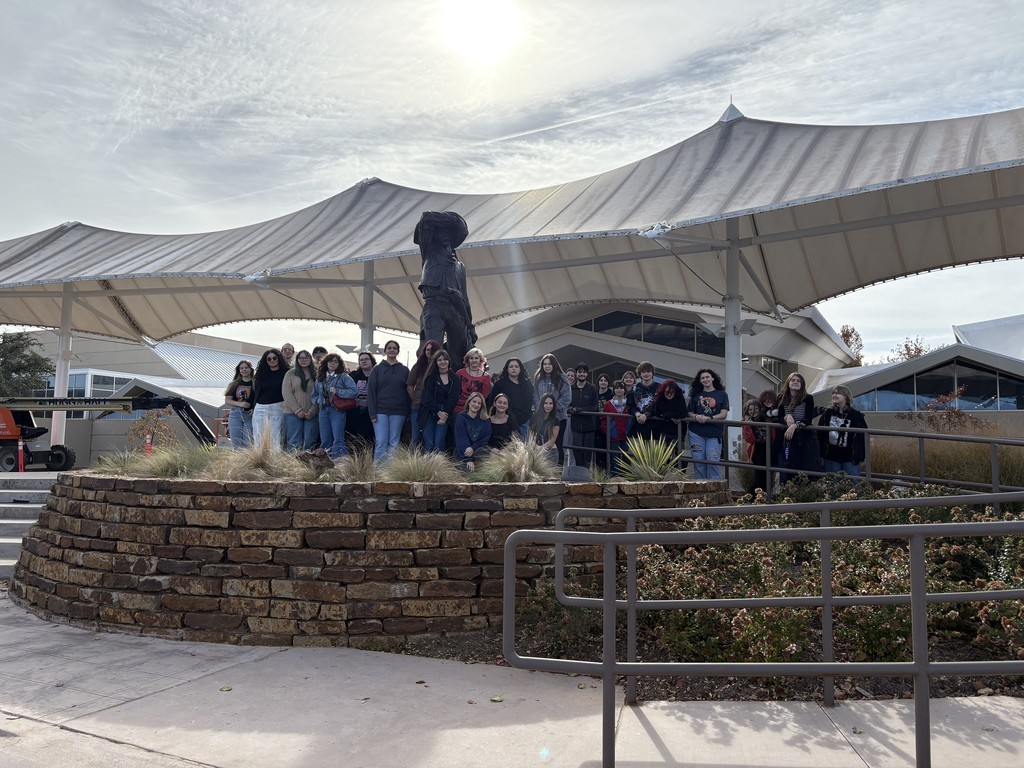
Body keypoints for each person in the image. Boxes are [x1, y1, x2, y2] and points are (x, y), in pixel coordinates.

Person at [414, 211, 476, 366]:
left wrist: (470, 325)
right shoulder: (429, 252)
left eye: (449, 231)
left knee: (459, 354)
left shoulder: (460, 266)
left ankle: (455, 384)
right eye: (441, 230)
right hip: (434, 305)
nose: (445, 234)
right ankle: (430, 383)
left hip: (456, 308)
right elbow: (426, 218)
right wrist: (452, 220)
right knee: (433, 350)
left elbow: (465, 298)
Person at [367, 340, 411, 462]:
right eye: (389, 348)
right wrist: (372, 414)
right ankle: (378, 474)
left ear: (398, 351)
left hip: (399, 412)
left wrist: (408, 412)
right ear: (385, 350)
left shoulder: (404, 370)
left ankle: (390, 473)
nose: (392, 350)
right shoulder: (377, 370)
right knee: (381, 441)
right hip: (380, 411)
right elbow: (371, 393)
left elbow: (408, 392)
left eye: (395, 348)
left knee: (394, 442)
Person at [687, 368, 730, 480]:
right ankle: (700, 489)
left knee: (713, 461)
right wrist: (696, 417)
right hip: (696, 433)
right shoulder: (695, 395)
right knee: (699, 462)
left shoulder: (722, 394)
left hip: (714, 433)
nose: (705, 379)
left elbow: (723, 414)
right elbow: (689, 412)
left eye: (707, 377)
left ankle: (715, 489)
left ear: (712, 378)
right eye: (702, 378)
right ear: (700, 381)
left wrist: (710, 418)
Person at [312, 353, 357, 459]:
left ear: (339, 364)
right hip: (323, 410)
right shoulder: (320, 378)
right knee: (325, 440)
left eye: (335, 361)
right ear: (326, 363)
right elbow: (313, 395)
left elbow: (354, 392)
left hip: (337, 410)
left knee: (338, 439)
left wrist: (338, 391)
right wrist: (319, 400)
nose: (332, 363)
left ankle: (340, 465)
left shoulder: (344, 377)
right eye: (330, 361)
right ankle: (325, 465)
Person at [817, 385, 868, 476]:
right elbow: (820, 435)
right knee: (832, 486)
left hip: (850, 459)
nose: (834, 395)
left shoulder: (856, 416)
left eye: (838, 393)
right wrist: (821, 454)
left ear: (845, 396)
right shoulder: (827, 414)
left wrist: (861, 457)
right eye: (833, 393)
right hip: (831, 457)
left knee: (853, 487)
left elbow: (862, 438)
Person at [777, 372, 820, 481]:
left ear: (802, 384)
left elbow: (808, 418)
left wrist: (794, 426)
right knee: (789, 468)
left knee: (806, 468)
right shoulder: (781, 398)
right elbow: (779, 417)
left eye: (798, 381)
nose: (795, 382)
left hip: (805, 439)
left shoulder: (808, 398)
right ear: (788, 383)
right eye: (793, 380)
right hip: (788, 440)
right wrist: (787, 417)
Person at [418, 349, 459, 453]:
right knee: (429, 443)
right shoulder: (430, 377)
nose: (443, 362)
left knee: (438, 442)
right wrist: (437, 412)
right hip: (429, 412)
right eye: (439, 360)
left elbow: (453, 398)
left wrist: (444, 415)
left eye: (445, 359)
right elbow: (426, 398)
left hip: (445, 412)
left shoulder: (454, 378)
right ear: (436, 362)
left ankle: (439, 467)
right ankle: (428, 468)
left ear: (449, 361)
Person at [533, 354, 571, 464]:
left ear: (554, 365)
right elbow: (535, 395)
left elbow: (566, 398)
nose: (547, 366)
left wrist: (552, 408)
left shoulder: (562, 378)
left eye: (549, 364)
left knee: (557, 445)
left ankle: (558, 471)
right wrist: (541, 408)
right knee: (541, 443)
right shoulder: (538, 378)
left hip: (559, 417)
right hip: (542, 417)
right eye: (544, 364)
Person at [283, 349, 320, 451]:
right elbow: (287, 393)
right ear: (297, 360)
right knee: (294, 443)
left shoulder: (317, 374)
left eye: (306, 357)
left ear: (310, 359)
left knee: (310, 442)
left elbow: (321, 394)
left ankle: (307, 466)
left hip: (312, 414)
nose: (304, 360)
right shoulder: (290, 374)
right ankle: (293, 466)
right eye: (301, 358)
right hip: (292, 414)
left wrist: (313, 410)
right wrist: (297, 410)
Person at [489, 357, 534, 441]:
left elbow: (531, 400)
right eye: (511, 366)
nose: (514, 368)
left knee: (525, 448)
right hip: (505, 421)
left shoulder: (527, 383)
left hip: (524, 420)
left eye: (516, 366)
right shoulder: (500, 384)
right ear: (507, 369)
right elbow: (493, 401)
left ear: (520, 369)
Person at [407, 339, 441, 448]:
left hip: (431, 408)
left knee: (429, 438)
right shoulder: (418, 366)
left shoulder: (440, 367)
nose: (429, 352)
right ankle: (412, 463)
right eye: (427, 349)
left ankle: (429, 463)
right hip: (417, 407)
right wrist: (416, 399)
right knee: (415, 437)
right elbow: (410, 386)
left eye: (432, 350)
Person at [251, 348, 287, 449]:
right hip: (260, 407)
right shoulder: (261, 374)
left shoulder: (286, 373)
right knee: (259, 436)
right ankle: (259, 460)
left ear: (279, 358)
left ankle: (275, 461)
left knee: (276, 437)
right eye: (269, 359)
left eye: (274, 358)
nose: (272, 360)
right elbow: (256, 392)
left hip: (278, 407)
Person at [568, 362, 599, 467]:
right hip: (576, 426)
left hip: (589, 426)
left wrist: (579, 410)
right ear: (576, 373)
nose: (582, 374)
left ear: (587, 374)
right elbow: (567, 405)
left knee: (587, 452)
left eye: (584, 372)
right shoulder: (571, 388)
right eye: (579, 372)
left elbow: (595, 407)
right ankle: (578, 472)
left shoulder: (592, 388)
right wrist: (571, 409)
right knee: (576, 450)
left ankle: (586, 473)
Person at [346, 351, 377, 450]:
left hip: (372, 413)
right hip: (355, 413)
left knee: (370, 440)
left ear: (372, 361)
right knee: (354, 440)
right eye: (361, 360)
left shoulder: (378, 375)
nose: (364, 361)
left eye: (366, 359)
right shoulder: (353, 375)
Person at [454, 391, 491, 472]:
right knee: (467, 473)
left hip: (478, 451)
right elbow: (461, 439)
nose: (476, 405)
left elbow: (484, 440)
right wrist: (468, 459)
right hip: (463, 453)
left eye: (479, 403)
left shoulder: (485, 420)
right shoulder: (461, 418)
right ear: (469, 402)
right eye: (474, 401)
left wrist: (472, 448)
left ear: (481, 406)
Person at [223, 360, 254, 449]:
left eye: (246, 367)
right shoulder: (234, 384)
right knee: (236, 442)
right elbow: (227, 400)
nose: (244, 370)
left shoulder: (256, 383)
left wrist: (254, 408)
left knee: (248, 443)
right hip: (236, 414)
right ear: (239, 370)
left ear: (251, 369)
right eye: (241, 368)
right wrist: (240, 404)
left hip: (250, 415)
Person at [602, 380, 631, 473]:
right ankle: (615, 481)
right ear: (613, 390)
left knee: (627, 460)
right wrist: (608, 432)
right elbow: (603, 420)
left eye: (621, 388)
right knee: (615, 460)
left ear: (625, 390)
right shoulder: (608, 404)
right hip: (613, 436)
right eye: (616, 388)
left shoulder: (629, 403)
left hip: (627, 437)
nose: (619, 390)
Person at [742, 399, 769, 494]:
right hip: (756, 451)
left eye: (756, 409)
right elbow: (749, 439)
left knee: (764, 475)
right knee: (759, 474)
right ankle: (756, 496)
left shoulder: (765, 419)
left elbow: (762, 438)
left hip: (768, 449)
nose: (753, 412)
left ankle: (755, 495)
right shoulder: (747, 422)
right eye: (750, 410)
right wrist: (748, 425)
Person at [652, 378, 687, 450]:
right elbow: (656, 412)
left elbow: (683, 413)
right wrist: (669, 416)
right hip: (662, 431)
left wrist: (668, 415)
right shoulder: (659, 398)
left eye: (671, 392)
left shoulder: (679, 397)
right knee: (662, 454)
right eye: (667, 392)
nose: (669, 395)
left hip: (677, 432)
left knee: (678, 454)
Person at [454, 347, 491, 413]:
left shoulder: (486, 377)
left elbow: (484, 396)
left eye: (476, 358)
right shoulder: (460, 373)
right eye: (471, 358)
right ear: (468, 360)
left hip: (475, 410)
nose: (474, 360)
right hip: (458, 409)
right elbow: (454, 391)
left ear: (481, 360)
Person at [529, 393, 561, 467]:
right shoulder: (534, 418)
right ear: (542, 404)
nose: (548, 406)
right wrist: (535, 448)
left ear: (554, 405)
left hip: (550, 452)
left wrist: (540, 449)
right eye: (545, 403)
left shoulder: (556, 420)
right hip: (535, 452)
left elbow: (552, 441)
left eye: (551, 403)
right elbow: (531, 437)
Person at [629, 361, 659, 439]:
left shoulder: (660, 387)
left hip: (655, 429)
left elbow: (660, 407)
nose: (646, 374)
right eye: (643, 372)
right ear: (640, 374)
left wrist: (646, 415)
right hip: (637, 428)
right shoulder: (634, 388)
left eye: (648, 371)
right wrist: (637, 413)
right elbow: (630, 405)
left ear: (652, 373)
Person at [594, 373, 612, 468]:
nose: (603, 382)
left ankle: (606, 469)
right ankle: (597, 469)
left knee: (606, 447)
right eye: (601, 380)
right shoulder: (595, 393)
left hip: (607, 424)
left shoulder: (611, 393)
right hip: (596, 424)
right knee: (597, 448)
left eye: (605, 380)